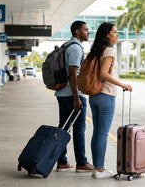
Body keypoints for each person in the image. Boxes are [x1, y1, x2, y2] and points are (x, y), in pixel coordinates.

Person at [86, 22, 132, 179]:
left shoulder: (97, 50)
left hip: (94, 96)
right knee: (103, 134)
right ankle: (99, 169)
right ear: (107, 34)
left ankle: (96, 167)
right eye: (114, 32)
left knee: (97, 132)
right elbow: (104, 74)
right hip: (106, 96)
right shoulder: (109, 50)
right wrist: (123, 84)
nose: (117, 34)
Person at [55, 21, 94, 173]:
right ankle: (81, 162)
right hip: (73, 94)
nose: (88, 32)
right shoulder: (76, 48)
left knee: (64, 128)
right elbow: (73, 74)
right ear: (77, 32)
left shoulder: (67, 46)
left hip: (63, 93)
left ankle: (62, 161)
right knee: (79, 129)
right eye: (86, 30)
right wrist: (77, 97)